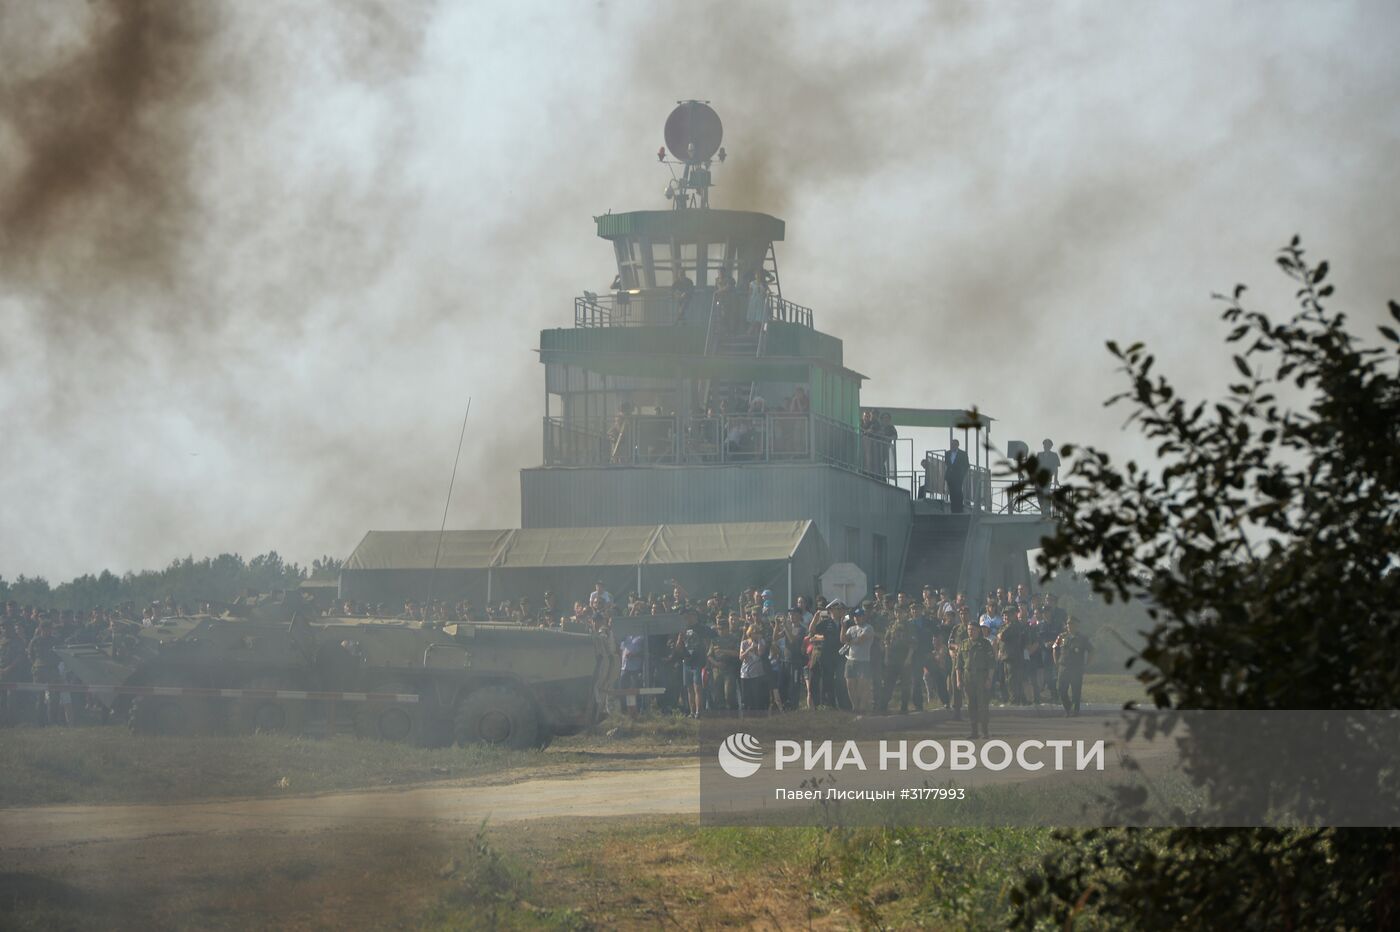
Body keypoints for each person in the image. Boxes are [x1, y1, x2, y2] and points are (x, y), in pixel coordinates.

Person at [958, 619, 995, 739]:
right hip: (968, 677)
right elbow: (958, 665)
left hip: (981, 676)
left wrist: (989, 678)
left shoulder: (985, 644)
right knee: (971, 705)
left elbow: (991, 664)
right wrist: (959, 680)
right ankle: (974, 731)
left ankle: (985, 731)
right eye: (969, 630)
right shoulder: (963, 644)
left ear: (978, 631)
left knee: (983, 704)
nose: (970, 632)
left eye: (973, 630)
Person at [676, 611, 715, 718]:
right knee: (689, 688)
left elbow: (709, 644)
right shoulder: (683, 630)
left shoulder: (702, 628)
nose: (687, 619)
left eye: (689, 616)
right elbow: (678, 648)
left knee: (698, 688)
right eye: (686, 617)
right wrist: (680, 638)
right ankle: (692, 712)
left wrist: (707, 660)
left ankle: (699, 711)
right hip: (687, 662)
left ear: (695, 616)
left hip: (699, 661)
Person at [1052, 616, 1094, 716]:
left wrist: (1087, 664)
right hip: (1063, 667)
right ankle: (1068, 707)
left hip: (1076, 668)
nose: (1069, 626)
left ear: (1077, 625)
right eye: (1068, 624)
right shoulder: (1061, 637)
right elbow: (1054, 648)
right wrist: (1056, 662)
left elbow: (1092, 650)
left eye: (1072, 624)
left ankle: (1075, 711)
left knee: (1076, 691)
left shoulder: (1082, 638)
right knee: (1061, 690)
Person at [806, 608, 841, 708]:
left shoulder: (842, 622)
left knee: (829, 681)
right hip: (820, 656)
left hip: (833, 656)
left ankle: (830, 703)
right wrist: (816, 617)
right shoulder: (825, 623)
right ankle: (817, 704)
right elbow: (811, 631)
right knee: (815, 681)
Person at [840, 611, 874, 713]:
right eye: (855, 617)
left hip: (863, 660)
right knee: (850, 684)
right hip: (851, 660)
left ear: (863, 617)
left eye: (859, 616)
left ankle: (863, 707)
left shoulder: (868, 628)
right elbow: (842, 639)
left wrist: (849, 641)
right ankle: (855, 707)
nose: (857, 618)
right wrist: (843, 626)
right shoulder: (851, 629)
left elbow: (860, 640)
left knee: (862, 685)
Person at [738, 624, 769, 715]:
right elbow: (741, 657)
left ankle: (759, 715)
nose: (756, 634)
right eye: (754, 632)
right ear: (750, 633)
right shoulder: (744, 643)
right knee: (746, 697)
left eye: (758, 632)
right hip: (745, 673)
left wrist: (759, 640)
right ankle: (748, 714)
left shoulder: (762, 641)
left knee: (757, 696)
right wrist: (749, 649)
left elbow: (760, 653)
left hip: (757, 674)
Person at [1036, 439, 1061, 515]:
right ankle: (1042, 510)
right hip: (1038, 478)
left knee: (1046, 493)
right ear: (1043, 445)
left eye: (1048, 445)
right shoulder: (1039, 454)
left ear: (1050, 446)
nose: (1046, 446)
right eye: (1045, 444)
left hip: (1047, 478)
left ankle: (1047, 511)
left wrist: (1055, 479)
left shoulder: (1054, 455)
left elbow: (1056, 468)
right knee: (1039, 495)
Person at [944, 439, 970, 513]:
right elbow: (947, 464)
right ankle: (953, 509)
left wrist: (962, 474)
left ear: (957, 445)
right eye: (952, 444)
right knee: (952, 493)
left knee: (958, 492)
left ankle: (959, 509)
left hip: (958, 476)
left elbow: (966, 465)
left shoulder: (963, 454)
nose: (952, 446)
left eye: (954, 444)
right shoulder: (947, 453)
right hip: (950, 477)